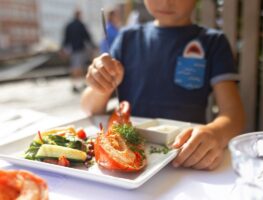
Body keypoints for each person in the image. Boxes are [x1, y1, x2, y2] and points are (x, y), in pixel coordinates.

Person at [81, 0, 245, 170]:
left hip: (187, 156)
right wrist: (101, 83)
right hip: (129, 155)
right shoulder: (127, 39)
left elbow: (234, 114)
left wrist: (215, 133)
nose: (166, 2)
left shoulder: (213, 42)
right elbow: (90, 108)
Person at [62, 10, 95, 93]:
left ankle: (75, 84)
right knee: (81, 67)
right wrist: (93, 46)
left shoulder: (69, 25)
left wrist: (63, 49)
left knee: (75, 68)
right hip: (81, 49)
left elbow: (66, 39)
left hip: (73, 50)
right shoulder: (81, 25)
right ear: (79, 15)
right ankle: (81, 84)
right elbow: (87, 37)